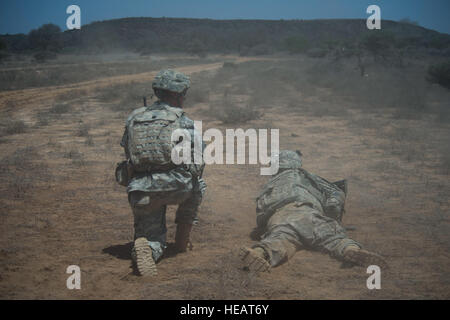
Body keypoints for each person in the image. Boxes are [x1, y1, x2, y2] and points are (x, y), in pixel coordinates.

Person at [116, 69, 206, 276]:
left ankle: (147, 248)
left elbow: (128, 151)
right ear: (176, 94)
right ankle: (182, 242)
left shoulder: (134, 117)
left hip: (140, 190)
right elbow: (198, 162)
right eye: (184, 93)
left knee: (151, 235)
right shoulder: (184, 121)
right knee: (198, 186)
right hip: (177, 188)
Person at [239, 150, 387, 273]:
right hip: (307, 212)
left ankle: (260, 253)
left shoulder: (269, 185)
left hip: (280, 217)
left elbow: (261, 217)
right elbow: (335, 198)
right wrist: (333, 216)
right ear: (296, 163)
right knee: (333, 237)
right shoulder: (307, 177)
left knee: (280, 240)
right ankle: (350, 249)